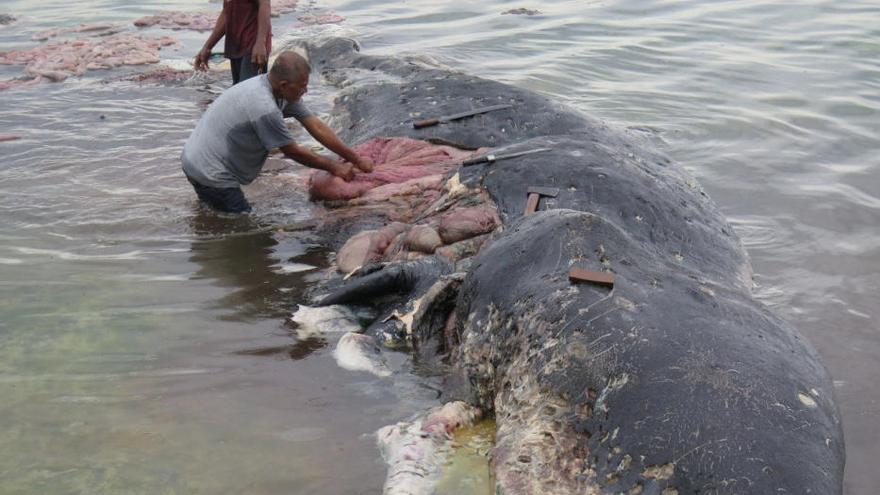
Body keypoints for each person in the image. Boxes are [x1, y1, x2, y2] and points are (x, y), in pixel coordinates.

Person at [181, 51, 374, 213]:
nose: (305, 91)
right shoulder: (264, 107)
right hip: (211, 170)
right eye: (302, 86)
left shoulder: (277, 90)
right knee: (245, 227)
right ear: (284, 85)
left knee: (212, 213)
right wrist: (334, 167)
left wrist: (354, 158)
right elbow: (292, 151)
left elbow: (316, 126)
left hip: (195, 159)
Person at [194, 0, 271, 84]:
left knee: (246, 90)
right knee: (237, 89)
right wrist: (208, 46)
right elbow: (226, 13)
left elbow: (264, 4)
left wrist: (260, 42)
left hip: (253, 46)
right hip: (235, 45)